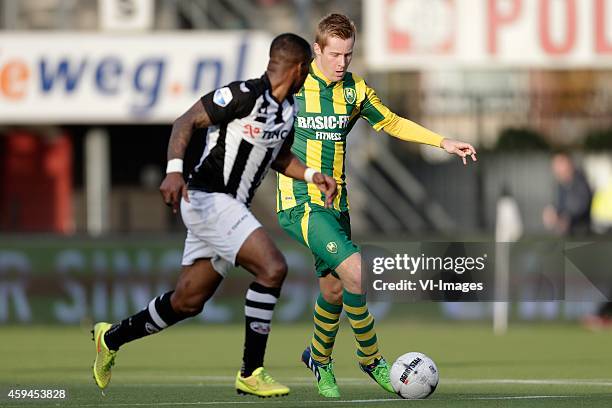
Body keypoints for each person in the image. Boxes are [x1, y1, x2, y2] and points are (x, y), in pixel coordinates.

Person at [92, 33, 338, 398]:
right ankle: (251, 371)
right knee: (273, 267)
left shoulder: (288, 110)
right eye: (308, 70)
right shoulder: (242, 95)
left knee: (187, 301)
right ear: (300, 68)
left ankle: (110, 338)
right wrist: (174, 170)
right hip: (208, 198)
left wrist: (311, 175)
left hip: (230, 208)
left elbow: (279, 157)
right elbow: (185, 121)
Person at [275, 14, 477, 398]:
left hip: (337, 204)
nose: (341, 63)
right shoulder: (294, 86)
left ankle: (318, 358)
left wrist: (443, 141)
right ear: (316, 50)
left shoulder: (355, 90)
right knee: (357, 271)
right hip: (299, 202)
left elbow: (394, 123)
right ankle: (371, 359)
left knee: (335, 291)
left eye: (348, 55)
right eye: (334, 54)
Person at [542, 152, 592, 236]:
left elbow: (579, 207)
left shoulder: (579, 182)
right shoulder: (560, 185)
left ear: (568, 164)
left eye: (559, 164)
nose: (556, 168)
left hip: (581, 234)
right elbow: (558, 205)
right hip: (569, 234)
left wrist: (564, 218)